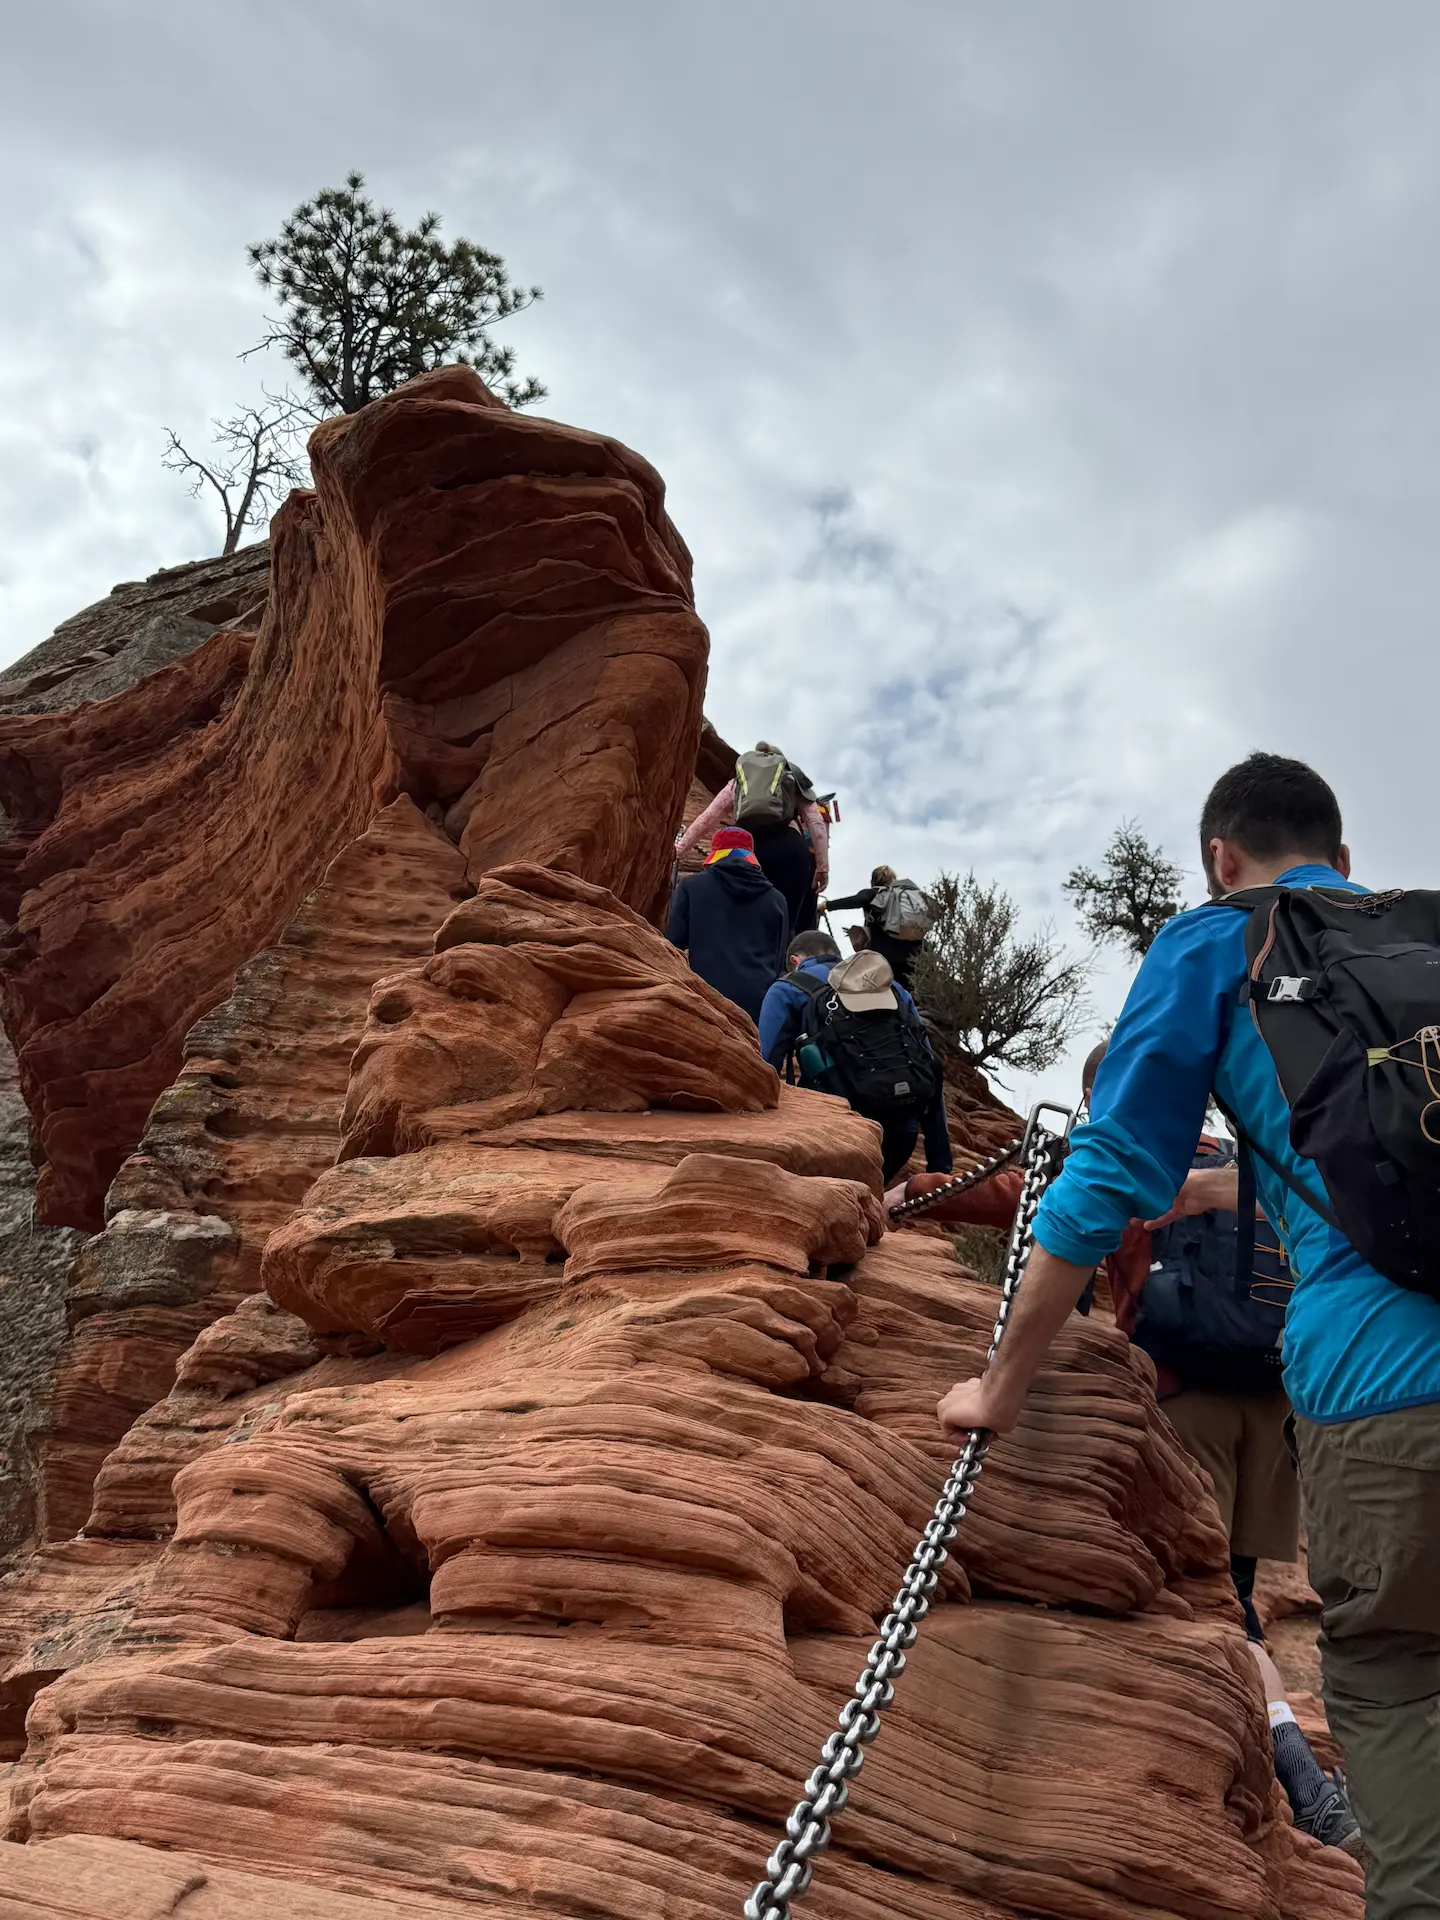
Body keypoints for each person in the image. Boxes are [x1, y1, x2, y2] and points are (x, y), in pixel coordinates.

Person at [937, 753, 1440, 1912]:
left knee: (1400, 1675)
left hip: (1381, 1377)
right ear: (1346, 861)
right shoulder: (1416, 934)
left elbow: (1112, 1164)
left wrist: (1000, 1384)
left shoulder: (1220, 940)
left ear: (1222, 858)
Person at [758, 932, 953, 1182]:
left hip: (835, 1132)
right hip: (900, 1133)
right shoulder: (891, 988)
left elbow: (765, 1065)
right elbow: (927, 1064)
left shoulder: (787, 988)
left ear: (795, 961)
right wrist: (940, 1164)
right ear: (838, 957)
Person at [675, 743, 828, 939]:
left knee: (742, 920)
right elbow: (816, 822)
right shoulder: (790, 776)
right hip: (789, 851)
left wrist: (679, 849)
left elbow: (708, 818)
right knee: (786, 922)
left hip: (747, 852)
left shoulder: (739, 780)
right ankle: (785, 964)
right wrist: (822, 867)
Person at [665, 826, 789, 1026]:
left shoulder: (692, 887)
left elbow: (672, 944)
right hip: (755, 1008)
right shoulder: (777, 900)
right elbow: (778, 960)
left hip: (704, 999)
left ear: (716, 855)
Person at [822, 865, 933, 990]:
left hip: (884, 957)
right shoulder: (911, 897)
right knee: (912, 994)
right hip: (916, 956)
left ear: (873, 881)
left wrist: (827, 905)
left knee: (887, 994)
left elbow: (856, 900)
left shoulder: (874, 894)